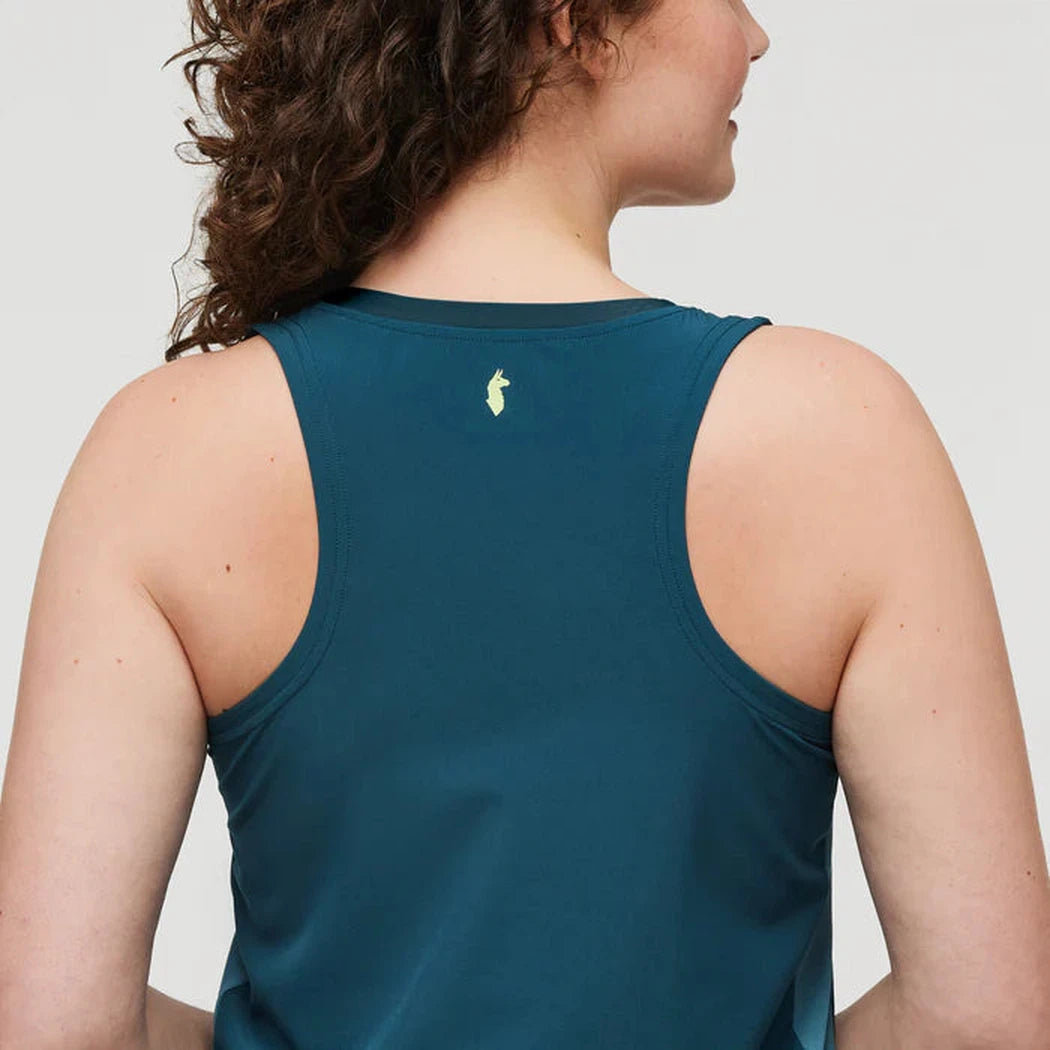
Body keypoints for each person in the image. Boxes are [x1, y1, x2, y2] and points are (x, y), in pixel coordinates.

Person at [2, 0, 1047, 1047]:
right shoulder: (842, 434)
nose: (756, 34)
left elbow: (55, 1028)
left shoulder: (166, 454)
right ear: (569, 16)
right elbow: (984, 1022)